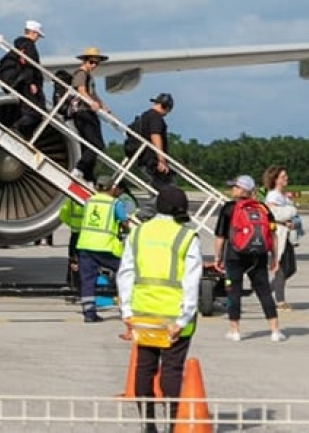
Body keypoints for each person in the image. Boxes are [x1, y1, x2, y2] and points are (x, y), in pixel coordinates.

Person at [118, 185, 202, 432]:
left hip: (143, 312)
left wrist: (127, 312)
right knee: (172, 369)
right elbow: (191, 280)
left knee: (144, 367)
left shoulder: (138, 233)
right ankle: (174, 423)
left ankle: (148, 424)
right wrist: (184, 317)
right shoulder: (186, 237)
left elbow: (125, 273)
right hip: (173, 315)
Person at [212, 174, 284, 342]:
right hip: (259, 256)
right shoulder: (263, 208)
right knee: (264, 291)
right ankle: (274, 330)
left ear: (243, 190)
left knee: (233, 292)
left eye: (235, 187)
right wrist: (275, 257)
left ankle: (235, 330)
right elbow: (273, 234)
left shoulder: (229, 208)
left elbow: (220, 236)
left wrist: (217, 257)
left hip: (235, 256)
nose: (232, 189)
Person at [75, 175, 130, 322]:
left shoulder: (88, 201)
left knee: (87, 280)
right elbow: (124, 222)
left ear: (96, 187)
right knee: (126, 272)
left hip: (85, 245)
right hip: (105, 247)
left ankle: (89, 313)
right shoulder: (115, 203)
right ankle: (127, 309)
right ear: (112, 188)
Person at [0, 20, 44, 136]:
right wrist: (31, 82)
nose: (38, 38)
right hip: (27, 82)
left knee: (27, 110)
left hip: (21, 81)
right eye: (37, 34)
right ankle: (17, 129)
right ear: (32, 33)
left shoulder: (19, 45)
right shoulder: (28, 45)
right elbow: (28, 64)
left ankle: (22, 132)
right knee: (36, 112)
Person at [68, 47, 110, 180]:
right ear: (85, 61)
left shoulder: (89, 77)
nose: (94, 65)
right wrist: (91, 103)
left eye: (96, 63)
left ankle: (88, 176)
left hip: (89, 111)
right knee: (97, 145)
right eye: (92, 62)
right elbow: (81, 91)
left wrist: (104, 107)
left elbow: (93, 94)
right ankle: (79, 169)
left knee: (91, 146)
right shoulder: (81, 74)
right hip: (83, 112)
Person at [262, 165, 298, 310]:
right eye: (283, 177)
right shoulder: (273, 195)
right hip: (278, 236)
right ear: (275, 179)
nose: (286, 178)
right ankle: (280, 301)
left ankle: (266, 290)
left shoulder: (282, 195)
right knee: (281, 267)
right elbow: (273, 214)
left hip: (287, 234)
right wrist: (291, 212)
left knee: (291, 268)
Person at [128, 94, 176, 190]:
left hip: (143, 158)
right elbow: (155, 136)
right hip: (152, 161)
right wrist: (161, 159)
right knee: (167, 189)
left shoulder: (145, 116)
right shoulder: (156, 118)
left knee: (156, 189)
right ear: (166, 107)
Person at [57, 195, 84, 291]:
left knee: (73, 259)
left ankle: (71, 282)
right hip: (87, 234)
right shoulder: (90, 198)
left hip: (75, 234)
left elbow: (62, 215)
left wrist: (72, 224)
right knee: (87, 259)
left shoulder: (71, 200)